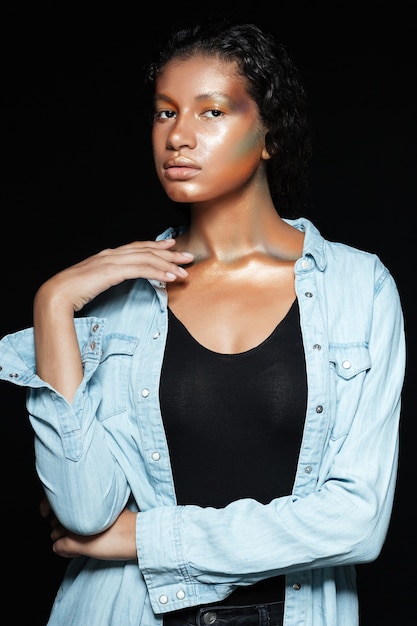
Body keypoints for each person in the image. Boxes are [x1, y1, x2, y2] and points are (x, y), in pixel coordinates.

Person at [0, 17, 405, 626]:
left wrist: (144, 539)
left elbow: (358, 520)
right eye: (165, 113)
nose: (178, 137)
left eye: (210, 112)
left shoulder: (358, 287)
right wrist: (53, 304)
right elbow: (83, 514)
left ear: (269, 133)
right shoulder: (119, 301)